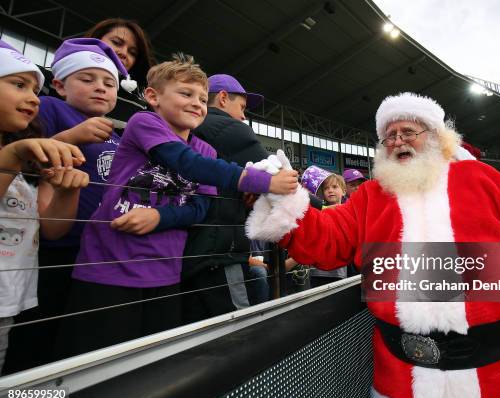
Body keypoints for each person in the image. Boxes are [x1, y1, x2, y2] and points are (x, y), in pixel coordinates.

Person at [246, 92, 500, 398]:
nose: (398, 140)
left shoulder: (481, 178)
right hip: (404, 383)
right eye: (390, 136)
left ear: (436, 138)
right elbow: (329, 238)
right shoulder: (370, 196)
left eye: (408, 131)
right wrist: (289, 200)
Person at [53, 54, 297, 358]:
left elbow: (200, 206)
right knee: (93, 364)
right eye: (186, 94)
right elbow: (186, 163)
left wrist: (160, 216)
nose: (197, 103)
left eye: (202, 98)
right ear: (153, 96)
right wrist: (259, 181)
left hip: (166, 273)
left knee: (153, 364)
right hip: (109, 268)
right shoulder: (145, 123)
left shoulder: (206, 148)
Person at [4, 38, 128, 373]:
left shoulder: (117, 136)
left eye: (109, 83)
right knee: (37, 329)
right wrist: (73, 135)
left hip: (98, 247)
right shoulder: (49, 108)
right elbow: (27, 159)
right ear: (59, 84)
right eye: (87, 80)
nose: (100, 89)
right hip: (54, 248)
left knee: (73, 330)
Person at [0, 40, 89, 372]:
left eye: (35, 89)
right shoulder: (16, 154)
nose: (34, 98)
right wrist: (14, 155)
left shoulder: (23, 163)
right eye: (18, 84)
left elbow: (52, 228)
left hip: (10, 299)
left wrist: (68, 192)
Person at [182, 74, 269, 320]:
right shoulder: (228, 127)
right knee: (237, 329)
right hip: (219, 252)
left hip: (184, 252)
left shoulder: (184, 127)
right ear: (222, 98)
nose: (243, 116)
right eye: (241, 107)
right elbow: (275, 175)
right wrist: (324, 209)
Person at [85, 18, 156, 122]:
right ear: (96, 39)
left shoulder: (138, 108)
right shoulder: (54, 79)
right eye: (116, 42)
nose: (124, 53)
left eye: (132, 53)